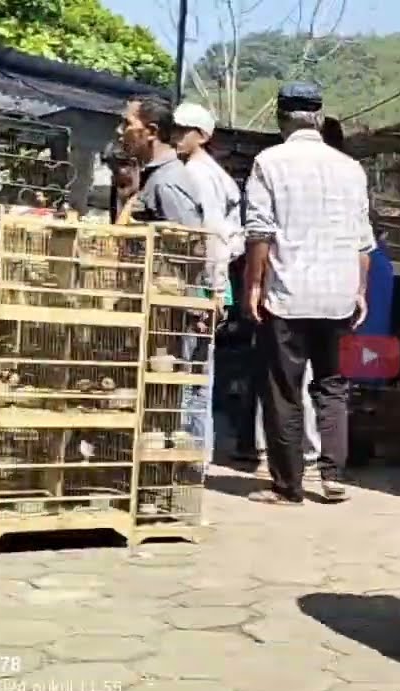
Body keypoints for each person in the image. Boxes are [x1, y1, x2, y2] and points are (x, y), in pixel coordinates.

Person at [242, 82, 375, 505]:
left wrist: (253, 284)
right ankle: (333, 477)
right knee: (332, 385)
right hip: (338, 293)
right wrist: (360, 290)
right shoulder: (351, 168)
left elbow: (259, 233)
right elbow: (363, 242)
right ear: (318, 116)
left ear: (281, 116)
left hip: (288, 292)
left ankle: (289, 485)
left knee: (284, 388)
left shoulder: (269, 162)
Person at [171, 103, 243, 466]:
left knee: (193, 375)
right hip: (210, 281)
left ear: (202, 136)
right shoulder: (199, 172)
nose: (176, 135)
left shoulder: (199, 175)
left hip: (204, 282)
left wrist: (212, 292)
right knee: (194, 373)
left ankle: (194, 459)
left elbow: (212, 237)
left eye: (184, 129)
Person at [117, 95, 203, 228]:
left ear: (151, 132)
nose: (119, 130)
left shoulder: (166, 182)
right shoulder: (153, 176)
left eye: (127, 124)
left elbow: (187, 242)